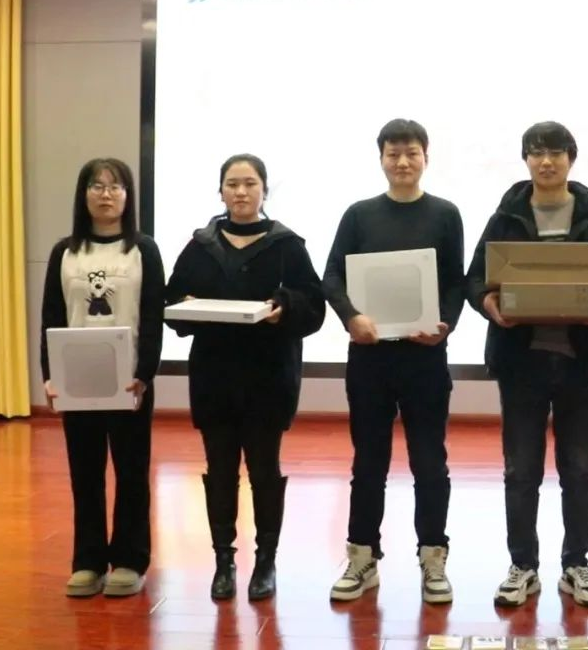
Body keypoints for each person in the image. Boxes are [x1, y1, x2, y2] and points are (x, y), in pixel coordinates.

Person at [465, 121, 588, 608]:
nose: (546, 161)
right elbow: (475, 277)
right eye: (537, 152)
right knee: (521, 469)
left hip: (582, 362)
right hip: (521, 362)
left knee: (580, 468)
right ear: (525, 159)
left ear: (571, 158)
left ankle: (575, 564)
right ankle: (522, 565)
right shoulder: (506, 215)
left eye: (556, 152)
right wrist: (488, 303)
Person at [164, 153, 326, 602]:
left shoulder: (287, 245)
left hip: (268, 379)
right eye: (232, 183)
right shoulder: (200, 245)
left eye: (250, 183)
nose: (240, 191)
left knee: (264, 470)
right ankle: (223, 561)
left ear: (264, 190)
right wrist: (187, 306)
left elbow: (314, 307)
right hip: (214, 378)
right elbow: (172, 302)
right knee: (219, 471)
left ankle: (266, 561)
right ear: (220, 191)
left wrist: (284, 307)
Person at [323, 119, 465, 604]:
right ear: (381, 158)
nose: (402, 162)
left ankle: (433, 557)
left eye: (411, 153)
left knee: (430, 462)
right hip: (370, 358)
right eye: (393, 154)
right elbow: (332, 276)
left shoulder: (445, 214)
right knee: (369, 462)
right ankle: (362, 557)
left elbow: (455, 281)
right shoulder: (359, 215)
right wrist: (352, 317)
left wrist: (445, 325)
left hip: (425, 358)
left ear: (426, 157)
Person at [41, 158, 165, 597]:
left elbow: (153, 316)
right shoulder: (65, 252)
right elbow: (51, 316)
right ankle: (88, 561)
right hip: (77, 381)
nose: (106, 194)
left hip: (129, 382)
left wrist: (144, 374)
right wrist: (50, 377)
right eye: (96, 186)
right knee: (85, 473)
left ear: (128, 196)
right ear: (83, 195)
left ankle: (130, 559)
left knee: (131, 471)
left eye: (115, 186)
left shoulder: (143, 250)